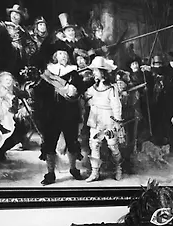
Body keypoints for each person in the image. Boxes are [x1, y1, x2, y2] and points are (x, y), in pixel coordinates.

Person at [32, 47, 86, 185]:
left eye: (65, 54)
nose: (63, 56)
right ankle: (50, 173)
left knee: (72, 142)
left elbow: (81, 88)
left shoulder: (73, 72)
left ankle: (73, 169)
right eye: (60, 54)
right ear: (55, 56)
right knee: (50, 143)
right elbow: (39, 91)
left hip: (69, 112)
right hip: (51, 113)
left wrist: (74, 90)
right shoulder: (48, 72)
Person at [84, 56, 123, 182]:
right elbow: (86, 97)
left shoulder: (112, 88)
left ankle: (118, 168)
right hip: (95, 117)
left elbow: (116, 106)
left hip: (108, 118)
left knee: (112, 146)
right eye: (93, 70)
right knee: (94, 145)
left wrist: (117, 122)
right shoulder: (92, 87)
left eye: (96, 70)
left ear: (103, 72)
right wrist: (89, 101)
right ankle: (95, 172)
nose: (94, 73)